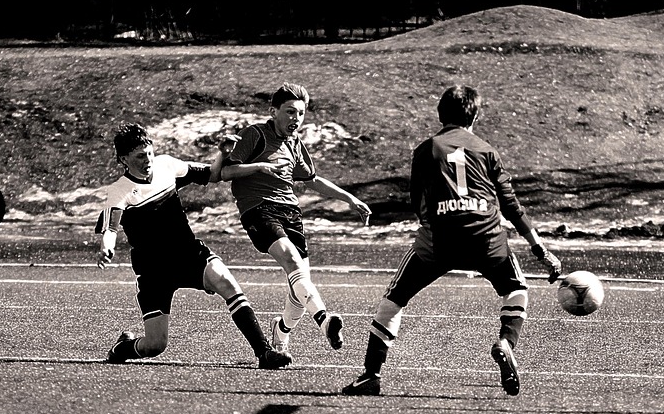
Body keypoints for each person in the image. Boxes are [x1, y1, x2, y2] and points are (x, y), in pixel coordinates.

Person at [342, 85, 562, 397]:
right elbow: (512, 207)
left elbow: (416, 203)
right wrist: (541, 251)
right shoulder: (488, 151)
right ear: (477, 115)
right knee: (516, 291)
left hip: (438, 242)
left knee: (393, 301)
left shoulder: (426, 149)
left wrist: (437, 227)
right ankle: (505, 341)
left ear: (440, 115)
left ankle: (371, 375)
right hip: (487, 239)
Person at [95, 123, 292, 370]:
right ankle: (123, 347)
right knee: (155, 346)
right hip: (154, 271)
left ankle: (264, 353)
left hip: (189, 255)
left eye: (149, 153)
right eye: (139, 157)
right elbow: (110, 228)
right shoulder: (119, 191)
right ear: (123, 159)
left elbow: (212, 174)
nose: (147, 160)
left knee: (227, 283)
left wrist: (223, 154)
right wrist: (107, 247)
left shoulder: (166, 165)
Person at [221, 82, 371, 356]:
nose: (296, 119)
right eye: (290, 112)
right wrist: (261, 166)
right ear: (273, 111)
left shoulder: (295, 143)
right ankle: (325, 320)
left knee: (300, 289)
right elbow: (227, 171)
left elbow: (312, 181)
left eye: (300, 114)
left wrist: (350, 199)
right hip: (259, 209)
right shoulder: (255, 135)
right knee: (292, 262)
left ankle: (281, 332)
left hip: (291, 213)